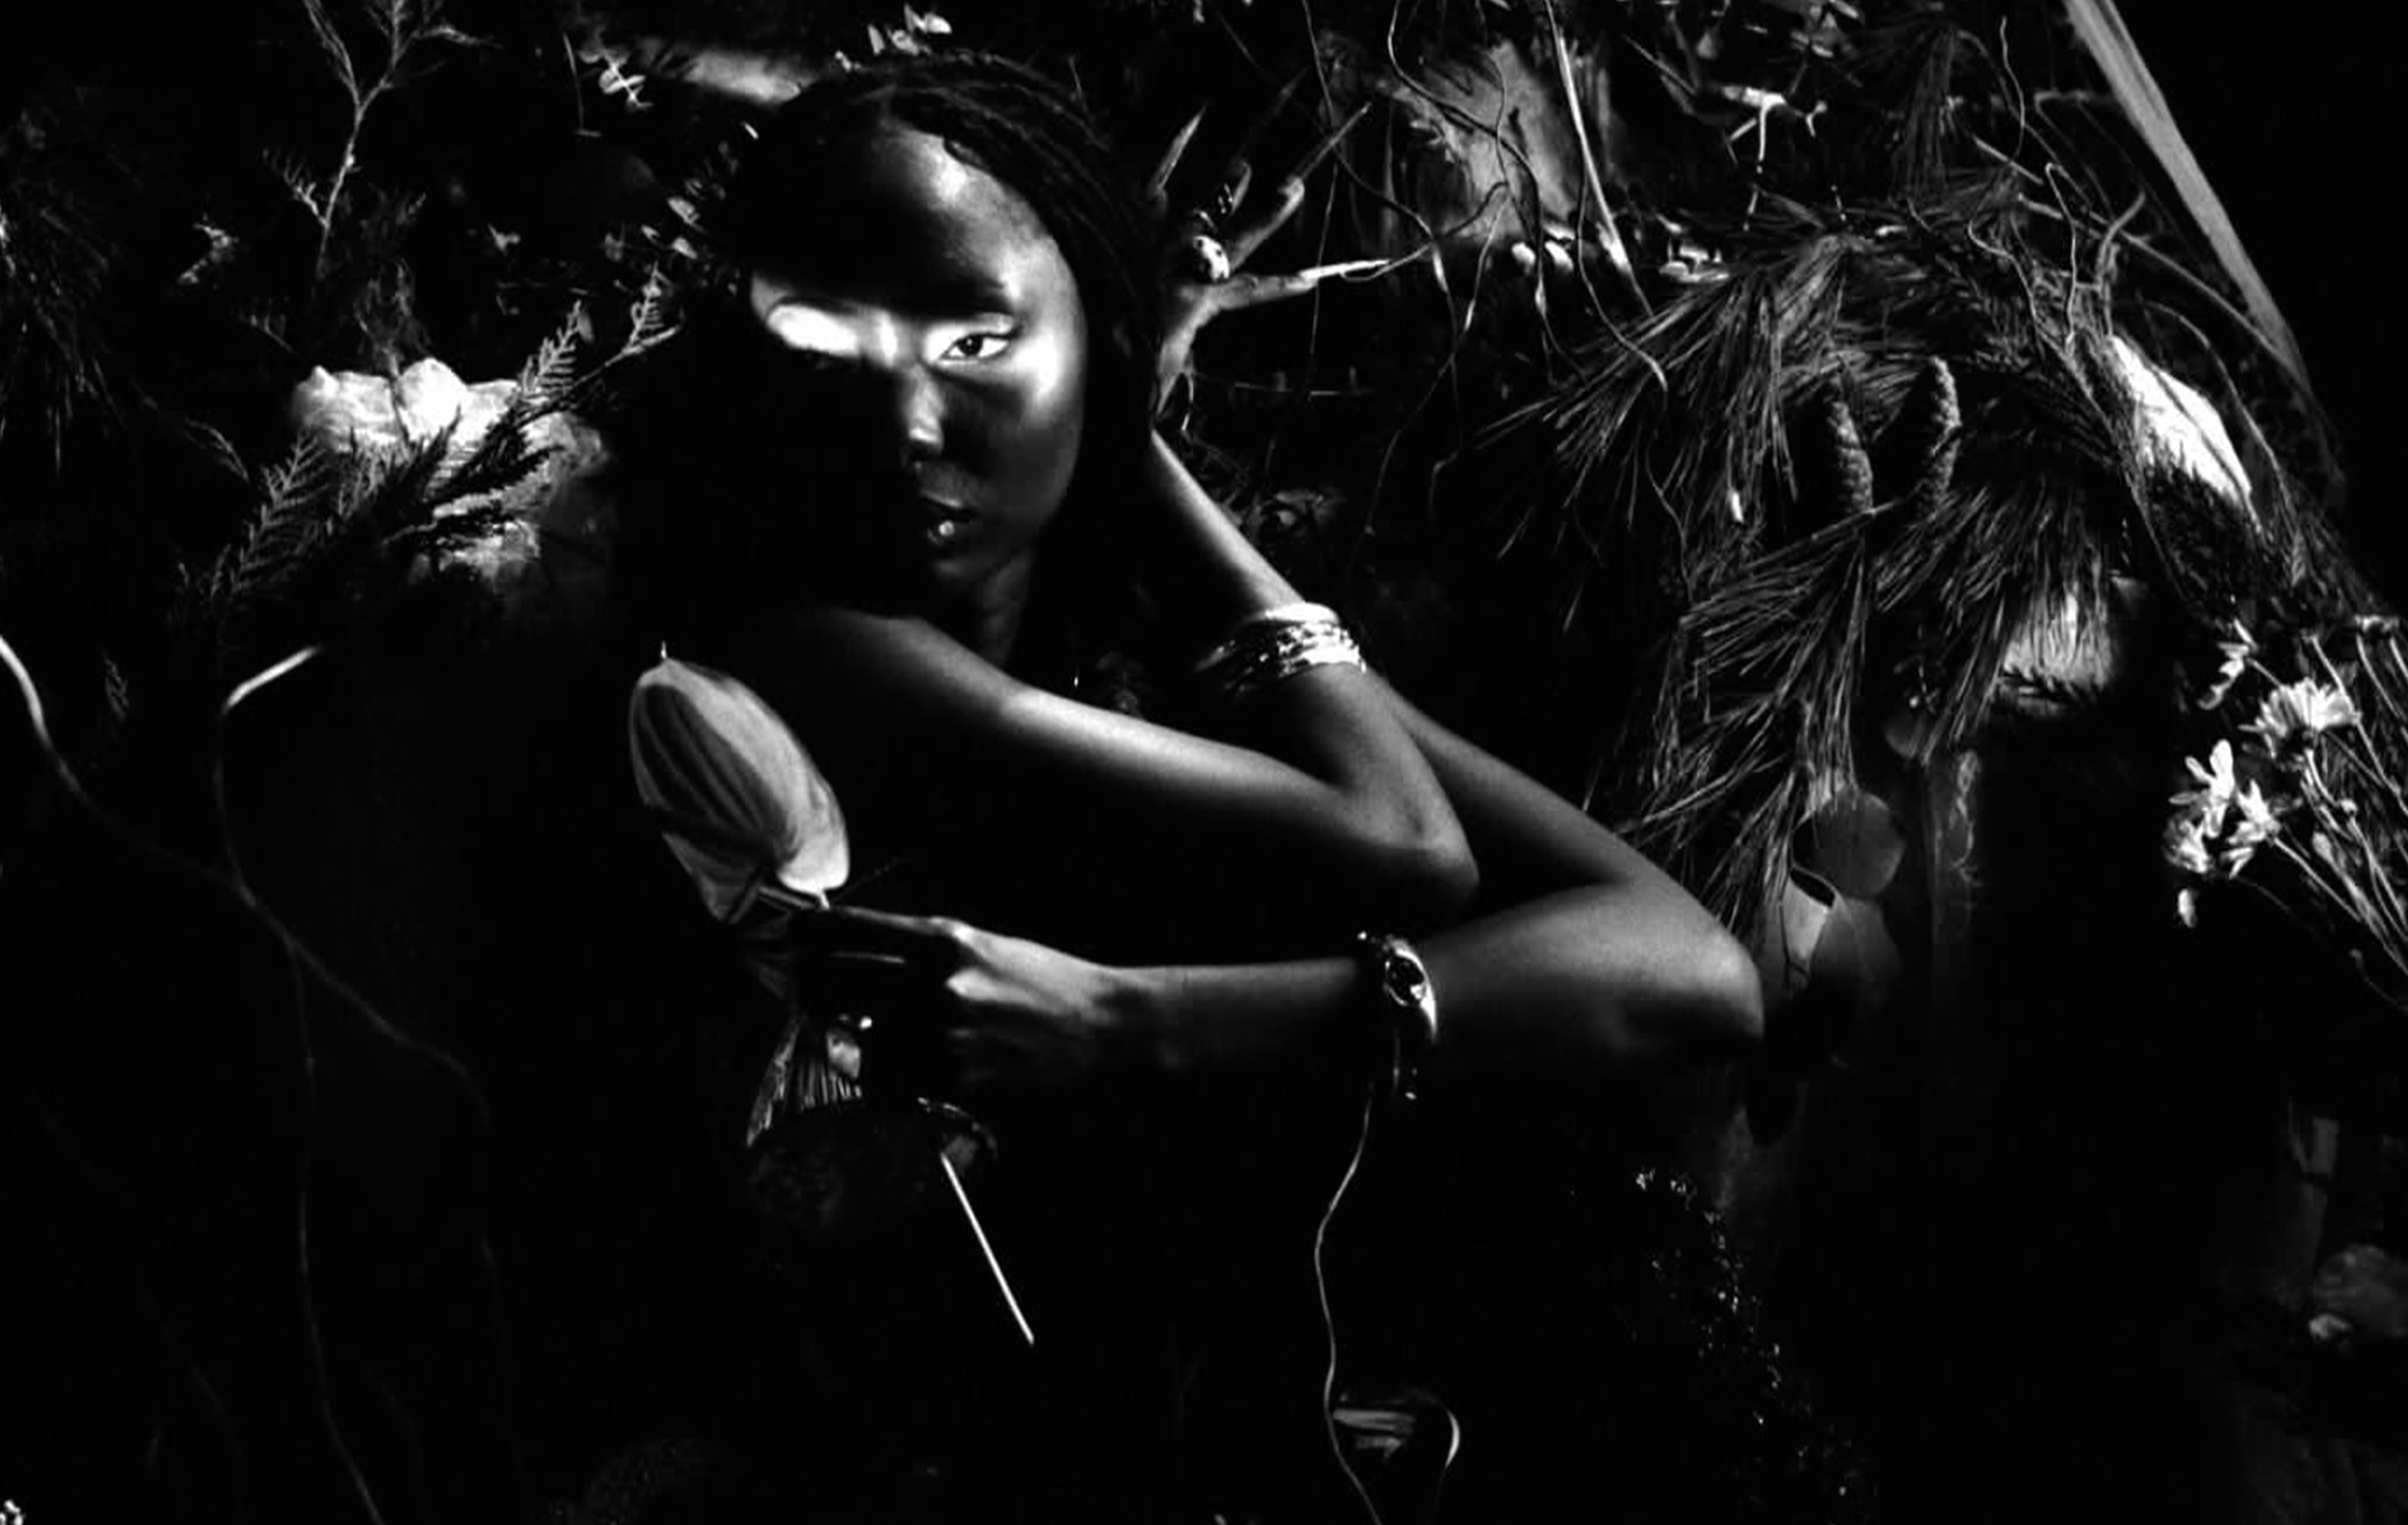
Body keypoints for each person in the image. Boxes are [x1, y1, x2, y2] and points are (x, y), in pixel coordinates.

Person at [607, 49, 1765, 1524]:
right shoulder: (808, 650)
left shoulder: (1166, 640)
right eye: (830, 350)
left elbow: (1694, 970)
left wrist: (1136, 1023)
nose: (901, 423)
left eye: (973, 344)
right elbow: (1403, 849)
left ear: (1092, 339)